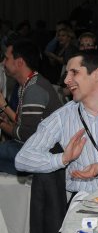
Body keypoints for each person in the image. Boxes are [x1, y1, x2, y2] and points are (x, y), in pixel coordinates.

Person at [15, 51, 98, 194]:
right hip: (84, 201)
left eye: (74, 72)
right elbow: (22, 159)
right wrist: (62, 159)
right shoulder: (63, 116)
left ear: (96, 74)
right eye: (67, 74)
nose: (66, 80)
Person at [0, 40, 62, 174]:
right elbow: (24, 124)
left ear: (19, 62)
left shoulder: (34, 89)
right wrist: (5, 112)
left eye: (6, 58)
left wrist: (2, 124)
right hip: (37, 147)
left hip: (45, 153)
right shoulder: (29, 83)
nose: (3, 63)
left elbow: (26, 135)